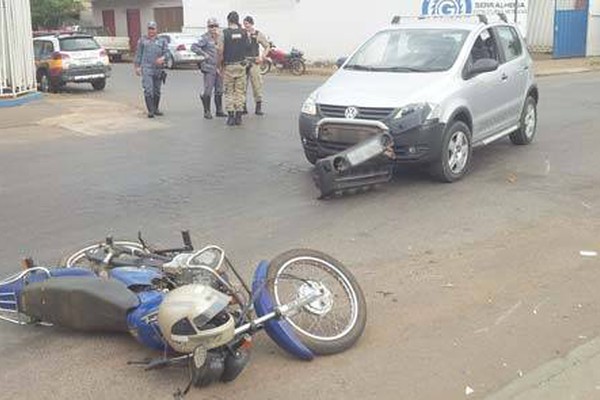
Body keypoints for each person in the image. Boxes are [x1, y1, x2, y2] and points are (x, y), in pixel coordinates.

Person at [191, 17, 226, 119]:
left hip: (219, 67)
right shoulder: (204, 38)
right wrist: (203, 53)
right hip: (209, 67)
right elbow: (194, 47)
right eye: (211, 26)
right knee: (208, 90)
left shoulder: (221, 37)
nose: (213, 28)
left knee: (219, 90)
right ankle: (207, 111)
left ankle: (219, 110)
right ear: (208, 27)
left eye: (215, 26)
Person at [218, 11, 248, 126]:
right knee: (240, 91)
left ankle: (231, 117)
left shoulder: (224, 33)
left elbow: (220, 51)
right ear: (238, 20)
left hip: (229, 66)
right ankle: (239, 116)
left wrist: (219, 65)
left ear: (228, 20)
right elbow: (247, 47)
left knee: (229, 91)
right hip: (241, 65)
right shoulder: (244, 33)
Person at [134, 21, 168, 118]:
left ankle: (156, 108)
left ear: (156, 29)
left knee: (157, 90)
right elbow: (138, 54)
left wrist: (163, 58)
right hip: (147, 68)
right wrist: (137, 67)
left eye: (153, 28)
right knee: (148, 90)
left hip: (158, 69)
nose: (151, 31)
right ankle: (150, 110)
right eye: (149, 28)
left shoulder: (162, 41)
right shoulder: (142, 40)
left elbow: (168, 53)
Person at [242, 15, 270, 116]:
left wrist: (262, 57)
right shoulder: (241, 34)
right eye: (244, 24)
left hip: (254, 62)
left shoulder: (258, 34)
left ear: (251, 24)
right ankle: (243, 107)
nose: (246, 26)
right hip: (244, 62)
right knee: (242, 86)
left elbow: (267, 46)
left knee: (257, 85)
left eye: (247, 24)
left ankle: (258, 107)